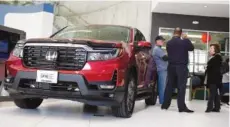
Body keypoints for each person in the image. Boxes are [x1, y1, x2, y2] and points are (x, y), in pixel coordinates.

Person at [161, 27, 194, 113]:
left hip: (171, 66)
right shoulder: (184, 42)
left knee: (169, 86)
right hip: (181, 67)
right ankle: (181, 107)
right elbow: (191, 48)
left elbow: (170, 54)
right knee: (181, 87)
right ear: (181, 33)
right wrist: (186, 39)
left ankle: (165, 105)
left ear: (173, 33)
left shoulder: (169, 43)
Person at [204, 44, 222, 113]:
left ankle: (209, 108)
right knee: (215, 94)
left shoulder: (216, 58)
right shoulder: (216, 58)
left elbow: (214, 69)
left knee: (212, 94)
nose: (210, 50)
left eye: (211, 48)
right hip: (215, 79)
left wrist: (207, 67)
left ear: (215, 50)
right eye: (210, 48)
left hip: (213, 79)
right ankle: (217, 107)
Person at [152, 36, 168, 104]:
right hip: (161, 70)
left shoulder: (159, 49)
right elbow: (165, 58)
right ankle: (162, 101)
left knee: (163, 86)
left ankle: (163, 100)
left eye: (163, 41)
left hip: (163, 69)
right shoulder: (157, 49)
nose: (163, 42)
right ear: (157, 41)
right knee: (162, 86)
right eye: (161, 40)